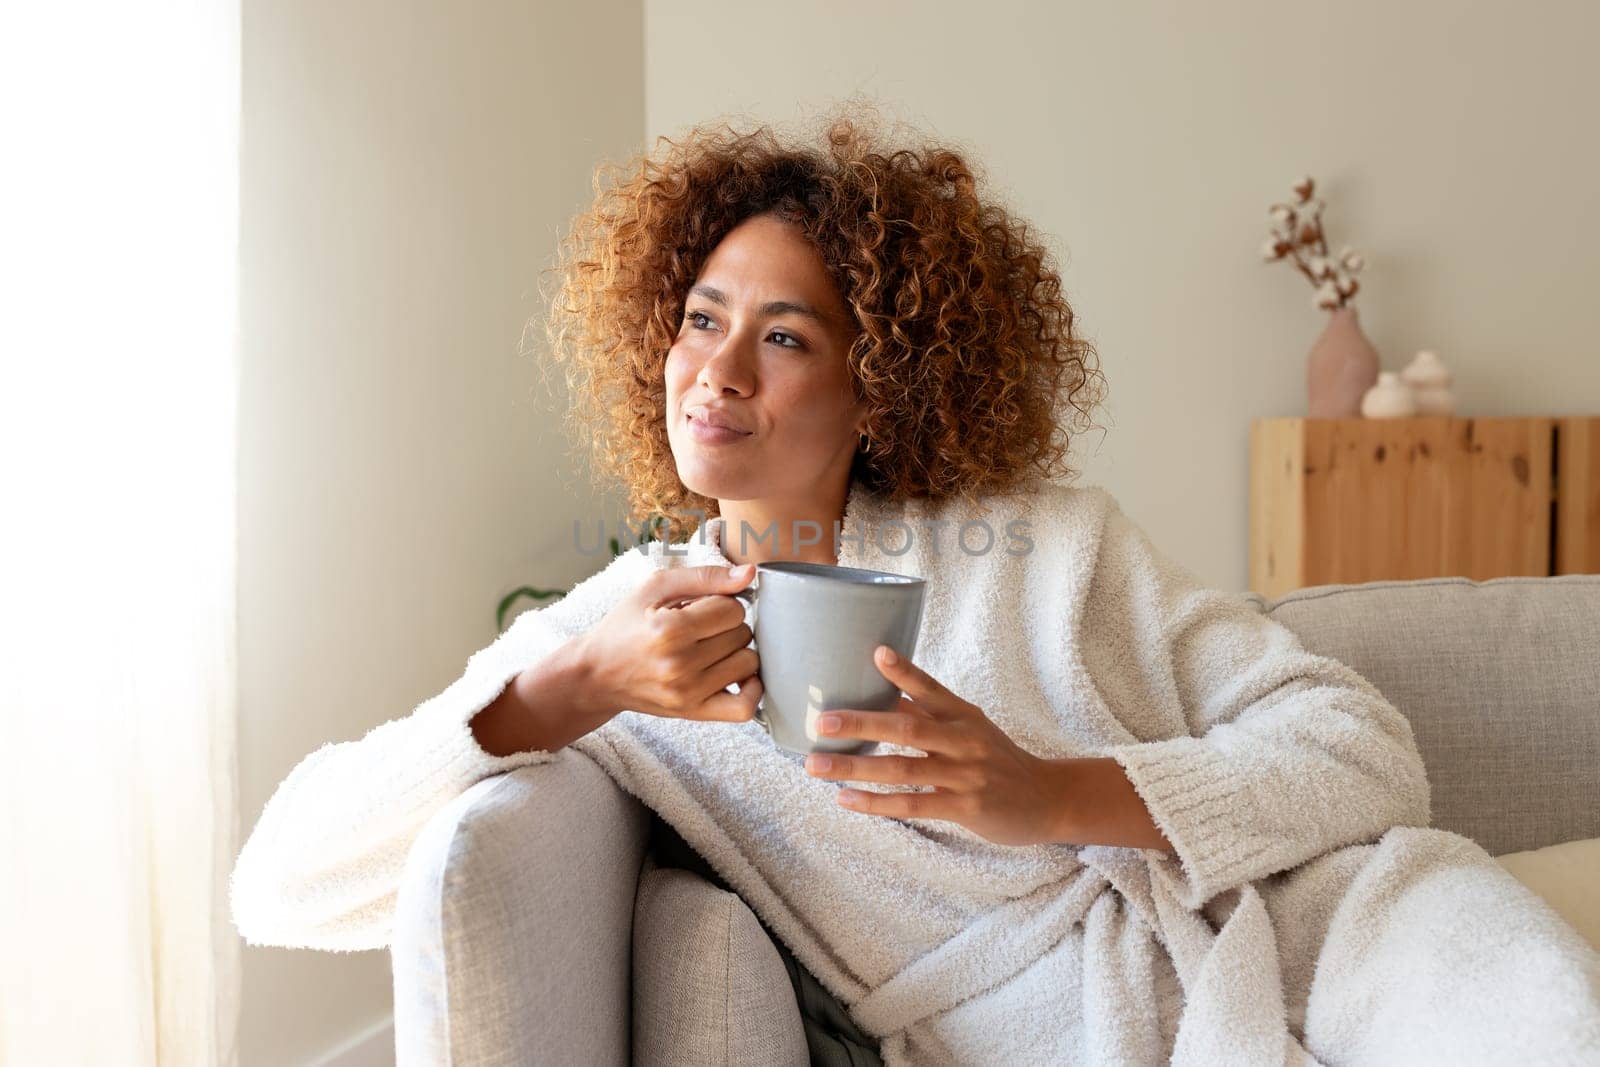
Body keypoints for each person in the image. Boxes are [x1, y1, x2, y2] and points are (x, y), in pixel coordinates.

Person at [231, 104, 1600, 1065]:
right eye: (701, 321)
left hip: (1335, 934)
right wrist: (568, 686)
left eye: (784, 337)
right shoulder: (632, 637)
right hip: (1053, 1030)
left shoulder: (1051, 546)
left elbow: (1369, 758)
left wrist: (1053, 794)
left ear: (878, 384)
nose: (719, 372)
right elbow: (279, 887)